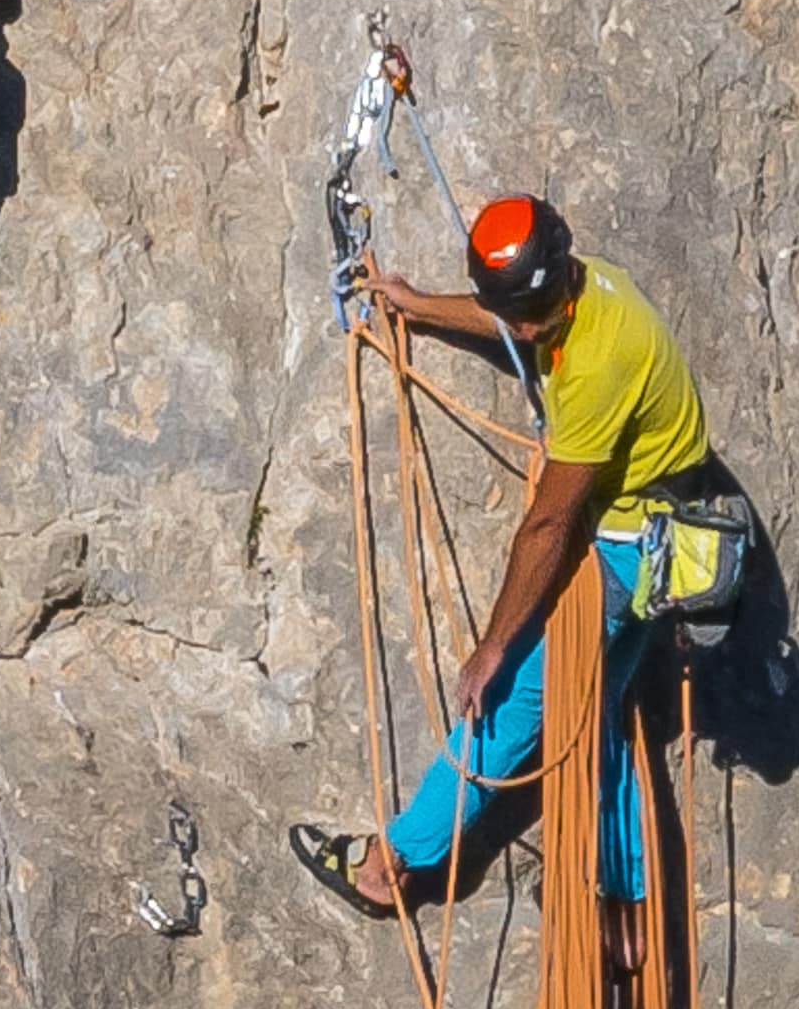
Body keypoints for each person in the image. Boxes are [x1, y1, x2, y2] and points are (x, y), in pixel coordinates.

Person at [292, 192, 751, 918]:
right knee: (598, 708)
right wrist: (417, 305)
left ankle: (393, 862)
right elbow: (514, 318)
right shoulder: (577, 284)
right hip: (659, 532)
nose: (523, 330)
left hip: (631, 547)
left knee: (510, 701)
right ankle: (624, 895)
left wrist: (492, 649)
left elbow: (547, 526)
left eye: (527, 317)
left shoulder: (601, 359)